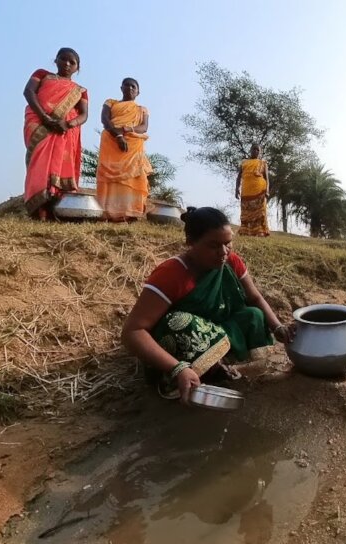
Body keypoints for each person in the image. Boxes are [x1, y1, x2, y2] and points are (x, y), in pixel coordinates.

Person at [121, 207, 295, 402]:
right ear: (191, 242)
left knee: (253, 315)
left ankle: (230, 366)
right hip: (181, 348)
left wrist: (278, 327)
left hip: (217, 332)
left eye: (228, 243)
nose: (223, 252)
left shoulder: (230, 261)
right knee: (179, 322)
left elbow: (255, 298)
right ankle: (191, 374)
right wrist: (177, 368)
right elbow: (132, 332)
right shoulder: (172, 274)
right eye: (213, 245)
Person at [22, 48, 89, 220]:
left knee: (58, 165)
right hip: (38, 123)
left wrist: (68, 124)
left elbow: (84, 115)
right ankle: (38, 208)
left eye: (72, 62)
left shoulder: (80, 90)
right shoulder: (42, 75)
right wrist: (45, 118)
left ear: (77, 68)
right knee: (39, 162)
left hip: (64, 132)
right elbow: (29, 92)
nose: (67, 64)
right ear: (56, 60)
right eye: (63, 59)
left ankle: (54, 208)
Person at [96, 78, 152, 221]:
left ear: (138, 92)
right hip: (111, 139)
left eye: (133, 86)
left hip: (133, 143)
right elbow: (105, 120)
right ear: (121, 88)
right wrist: (119, 135)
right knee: (108, 176)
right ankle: (107, 212)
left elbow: (144, 127)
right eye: (126, 85)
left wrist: (127, 129)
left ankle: (130, 212)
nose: (130, 88)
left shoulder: (142, 109)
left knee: (133, 176)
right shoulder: (110, 102)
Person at [235, 144, 270, 237]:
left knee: (260, 212)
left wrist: (267, 191)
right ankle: (246, 231)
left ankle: (260, 232)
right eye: (254, 149)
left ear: (260, 152)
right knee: (246, 212)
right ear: (250, 150)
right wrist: (236, 189)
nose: (256, 151)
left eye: (258, 150)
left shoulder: (263, 163)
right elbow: (239, 177)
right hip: (246, 191)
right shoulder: (244, 163)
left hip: (260, 190)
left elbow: (267, 179)